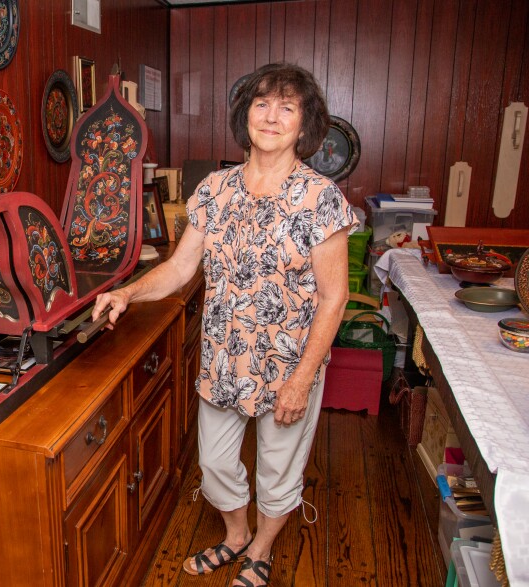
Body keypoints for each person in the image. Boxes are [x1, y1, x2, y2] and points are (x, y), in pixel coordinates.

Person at [91, 62, 357, 587]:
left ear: (305, 125)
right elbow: (179, 268)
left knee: (278, 470)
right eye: (261, 103)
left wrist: (303, 379)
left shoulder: (320, 199)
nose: (272, 117)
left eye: (287, 107)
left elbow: (334, 298)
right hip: (223, 357)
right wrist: (127, 291)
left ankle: (259, 548)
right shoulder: (215, 190)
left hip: (288, 363)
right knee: (214, 463)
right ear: (245, 115)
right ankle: (236, 534)